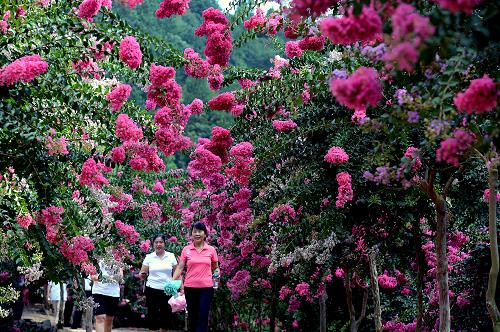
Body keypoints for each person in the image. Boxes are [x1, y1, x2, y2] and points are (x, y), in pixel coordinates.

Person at [172, 222, 219, 332]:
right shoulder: (186, 250)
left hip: (206, 288)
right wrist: (172, 281)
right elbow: (180, 268)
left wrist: (216, 279)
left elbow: (215, 268)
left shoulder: (211, 250)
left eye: (199, 231)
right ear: (191, 234)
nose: (197, 234)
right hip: (190, 288)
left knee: (203, 315)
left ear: (205, 234)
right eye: (194, 231)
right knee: (192, 317)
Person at [139, 234, 177, 332]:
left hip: (168, 289)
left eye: (161, 242)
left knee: (166, 316)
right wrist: (142, 275)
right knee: (152, 315)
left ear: (164, 244)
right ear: (153, 244)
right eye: (156, 242)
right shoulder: (149, 257)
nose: (158, 244)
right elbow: (142, 274)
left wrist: (180, 288)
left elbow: (177, 273)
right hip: (152, 288)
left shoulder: (171, 256)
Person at [91, 260, 122, 332]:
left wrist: (116, 277)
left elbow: (120, 276)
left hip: (113, 293)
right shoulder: (96, 256)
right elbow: (92, 276)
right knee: (100, 317)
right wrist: (106, 278)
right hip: (99, 291)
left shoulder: (118, 256)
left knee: (109, 319)